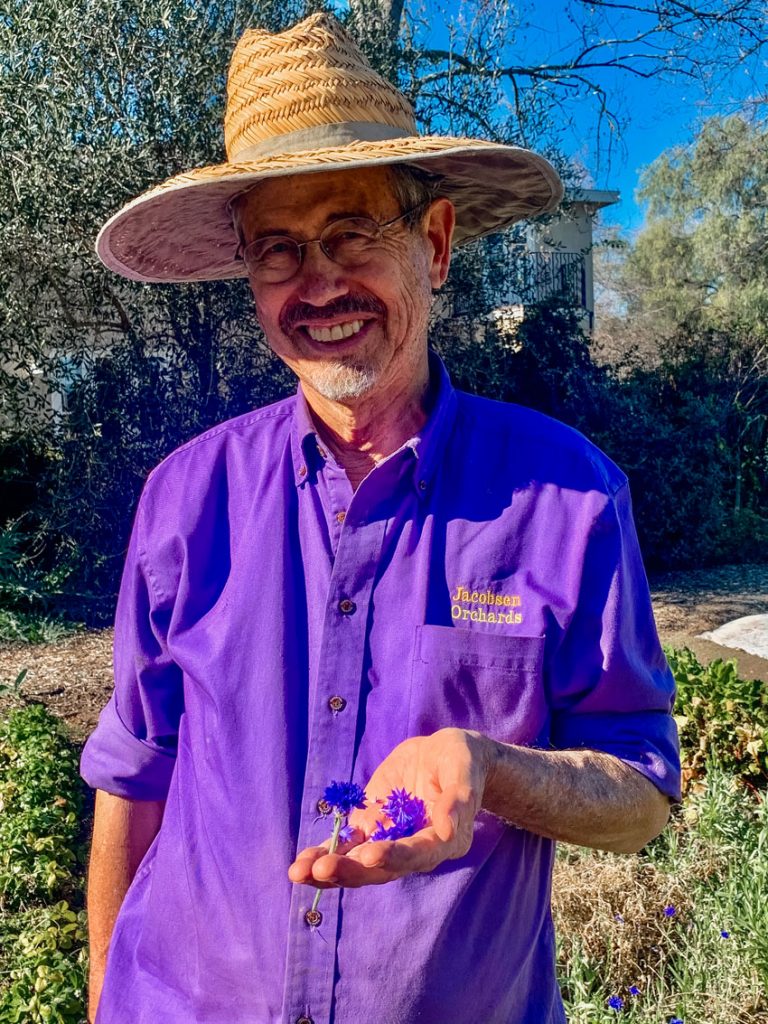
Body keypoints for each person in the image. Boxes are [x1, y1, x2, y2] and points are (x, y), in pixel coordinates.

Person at [81, 12, 681, 1024]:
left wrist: (495, 770)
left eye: (351, 234)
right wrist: (103, 999)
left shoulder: (567, 496)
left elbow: (641, 792)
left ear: (435, 243)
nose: (319, 284)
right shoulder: (187, 498)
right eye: (278, 251)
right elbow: (134, 776)